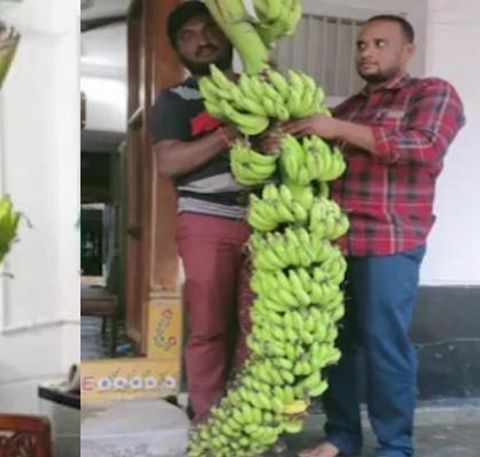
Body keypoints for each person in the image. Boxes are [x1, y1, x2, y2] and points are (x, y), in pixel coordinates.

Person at [279, 14, 465, 457]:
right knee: (335, 346)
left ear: (407, 51)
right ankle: (341, 436)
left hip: (390, 240)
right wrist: (287, 140)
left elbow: (424, 146)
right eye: (362, 45)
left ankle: (395, 445)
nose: (367, 52)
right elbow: (315, 158)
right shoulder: (347, 109)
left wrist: (337, 130)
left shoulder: (432, 93)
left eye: (381, 44)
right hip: (332, 246)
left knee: (386, 344)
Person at [150, 0, 251, 426]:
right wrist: (226, 136)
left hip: (268, 222)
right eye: (187, 36)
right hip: (206, 220)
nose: (202, 41)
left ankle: (251, 418)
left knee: (259, 327)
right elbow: (169, 162)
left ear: (227, 34)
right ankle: (209, 418)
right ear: (179, 49)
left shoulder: (263, 90)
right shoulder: (175, 100)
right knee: (208, 325)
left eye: (208, 30)